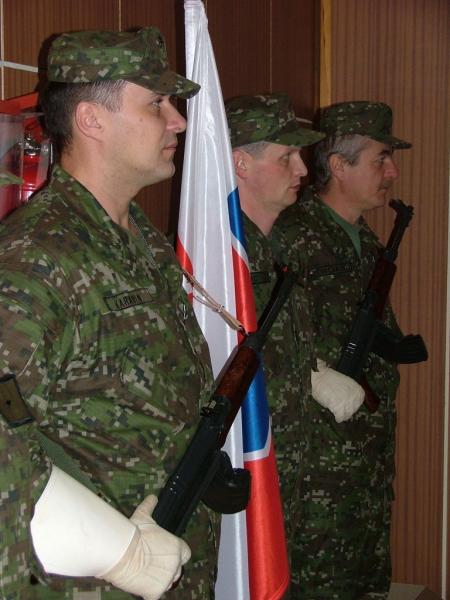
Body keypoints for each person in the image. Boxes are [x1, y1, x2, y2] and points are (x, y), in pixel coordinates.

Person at [0, 27, 218, 600]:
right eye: (156, 104)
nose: (177, 121)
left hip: (173, 563)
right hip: (92, 580)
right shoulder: (37, 258)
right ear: (92, 120)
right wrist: (120, 555)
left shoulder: (142, 243)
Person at [225, 94, 364, 597]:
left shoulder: (273, 248)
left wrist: (314, 372)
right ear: (240, 163)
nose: (303, 168)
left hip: (292, 466)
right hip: (250, 476)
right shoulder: (222, 259)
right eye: (286, 156)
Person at [277, 100, 412, 599]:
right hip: (318, 462)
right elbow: (265, 338)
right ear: (338, 165)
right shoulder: (292, 236)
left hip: (366, 455)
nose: (391, 172)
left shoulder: (368, 242)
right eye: (381, 159)